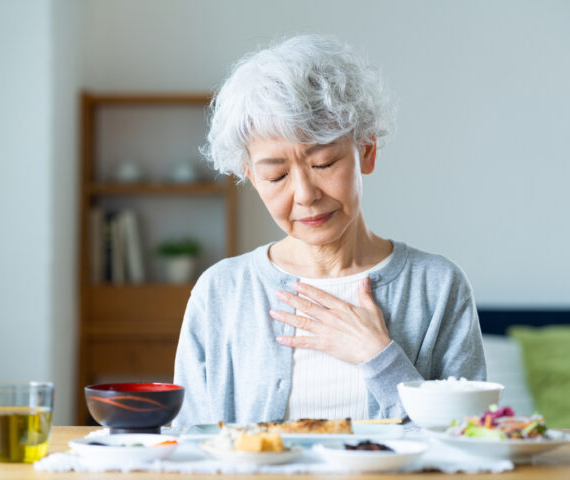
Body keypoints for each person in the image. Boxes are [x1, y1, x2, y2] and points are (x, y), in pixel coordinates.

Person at [172, 34, 485, 428]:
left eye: (323, 164)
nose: (305, 195)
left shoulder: (437, 288)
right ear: (251, 177)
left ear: (366, 150)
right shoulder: (221, 292)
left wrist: (380, 357)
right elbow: (191, 447)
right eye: (277, 175)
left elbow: (471, 444)